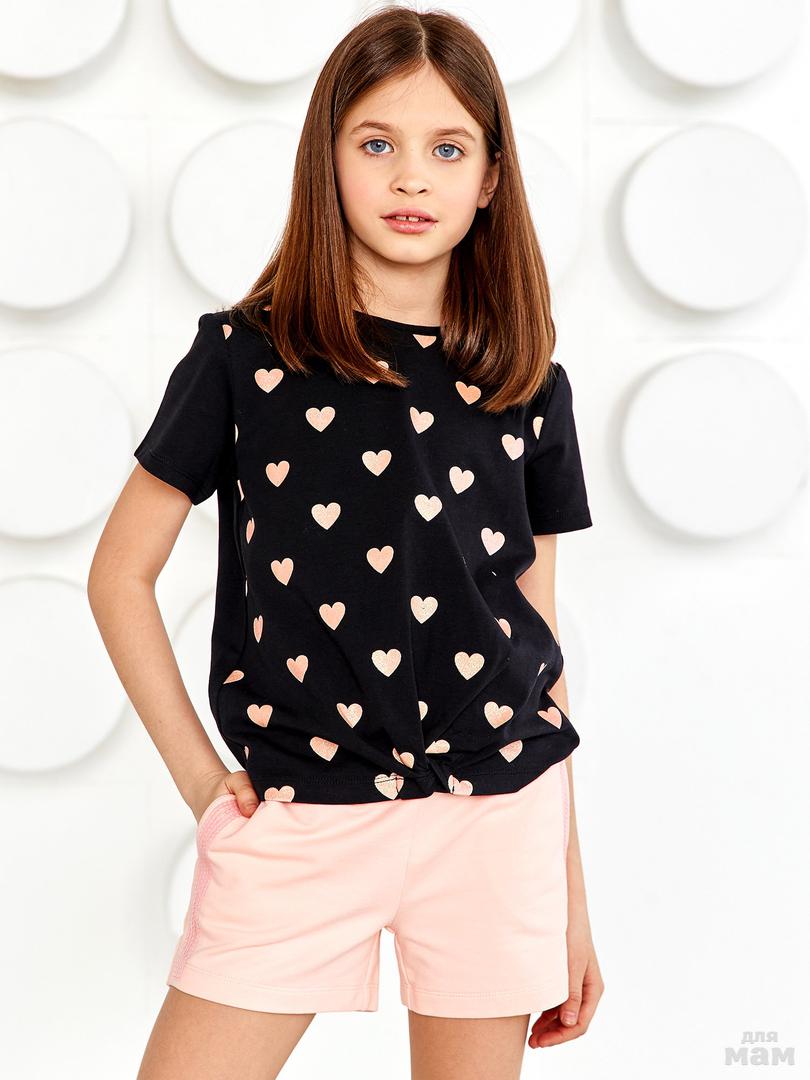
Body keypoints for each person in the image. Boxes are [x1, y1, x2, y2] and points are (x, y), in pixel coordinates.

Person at [88, 6, 604, 1078]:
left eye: (447, 149)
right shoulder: (244, 358)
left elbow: (536, 648)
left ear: (491, 178)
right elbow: (119, 575)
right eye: (377, 143)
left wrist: (570, 897)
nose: (411, 177)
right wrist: (201, 781)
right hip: (301, 816)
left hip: (496, 823)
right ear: (327, 159)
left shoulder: (526, 382)